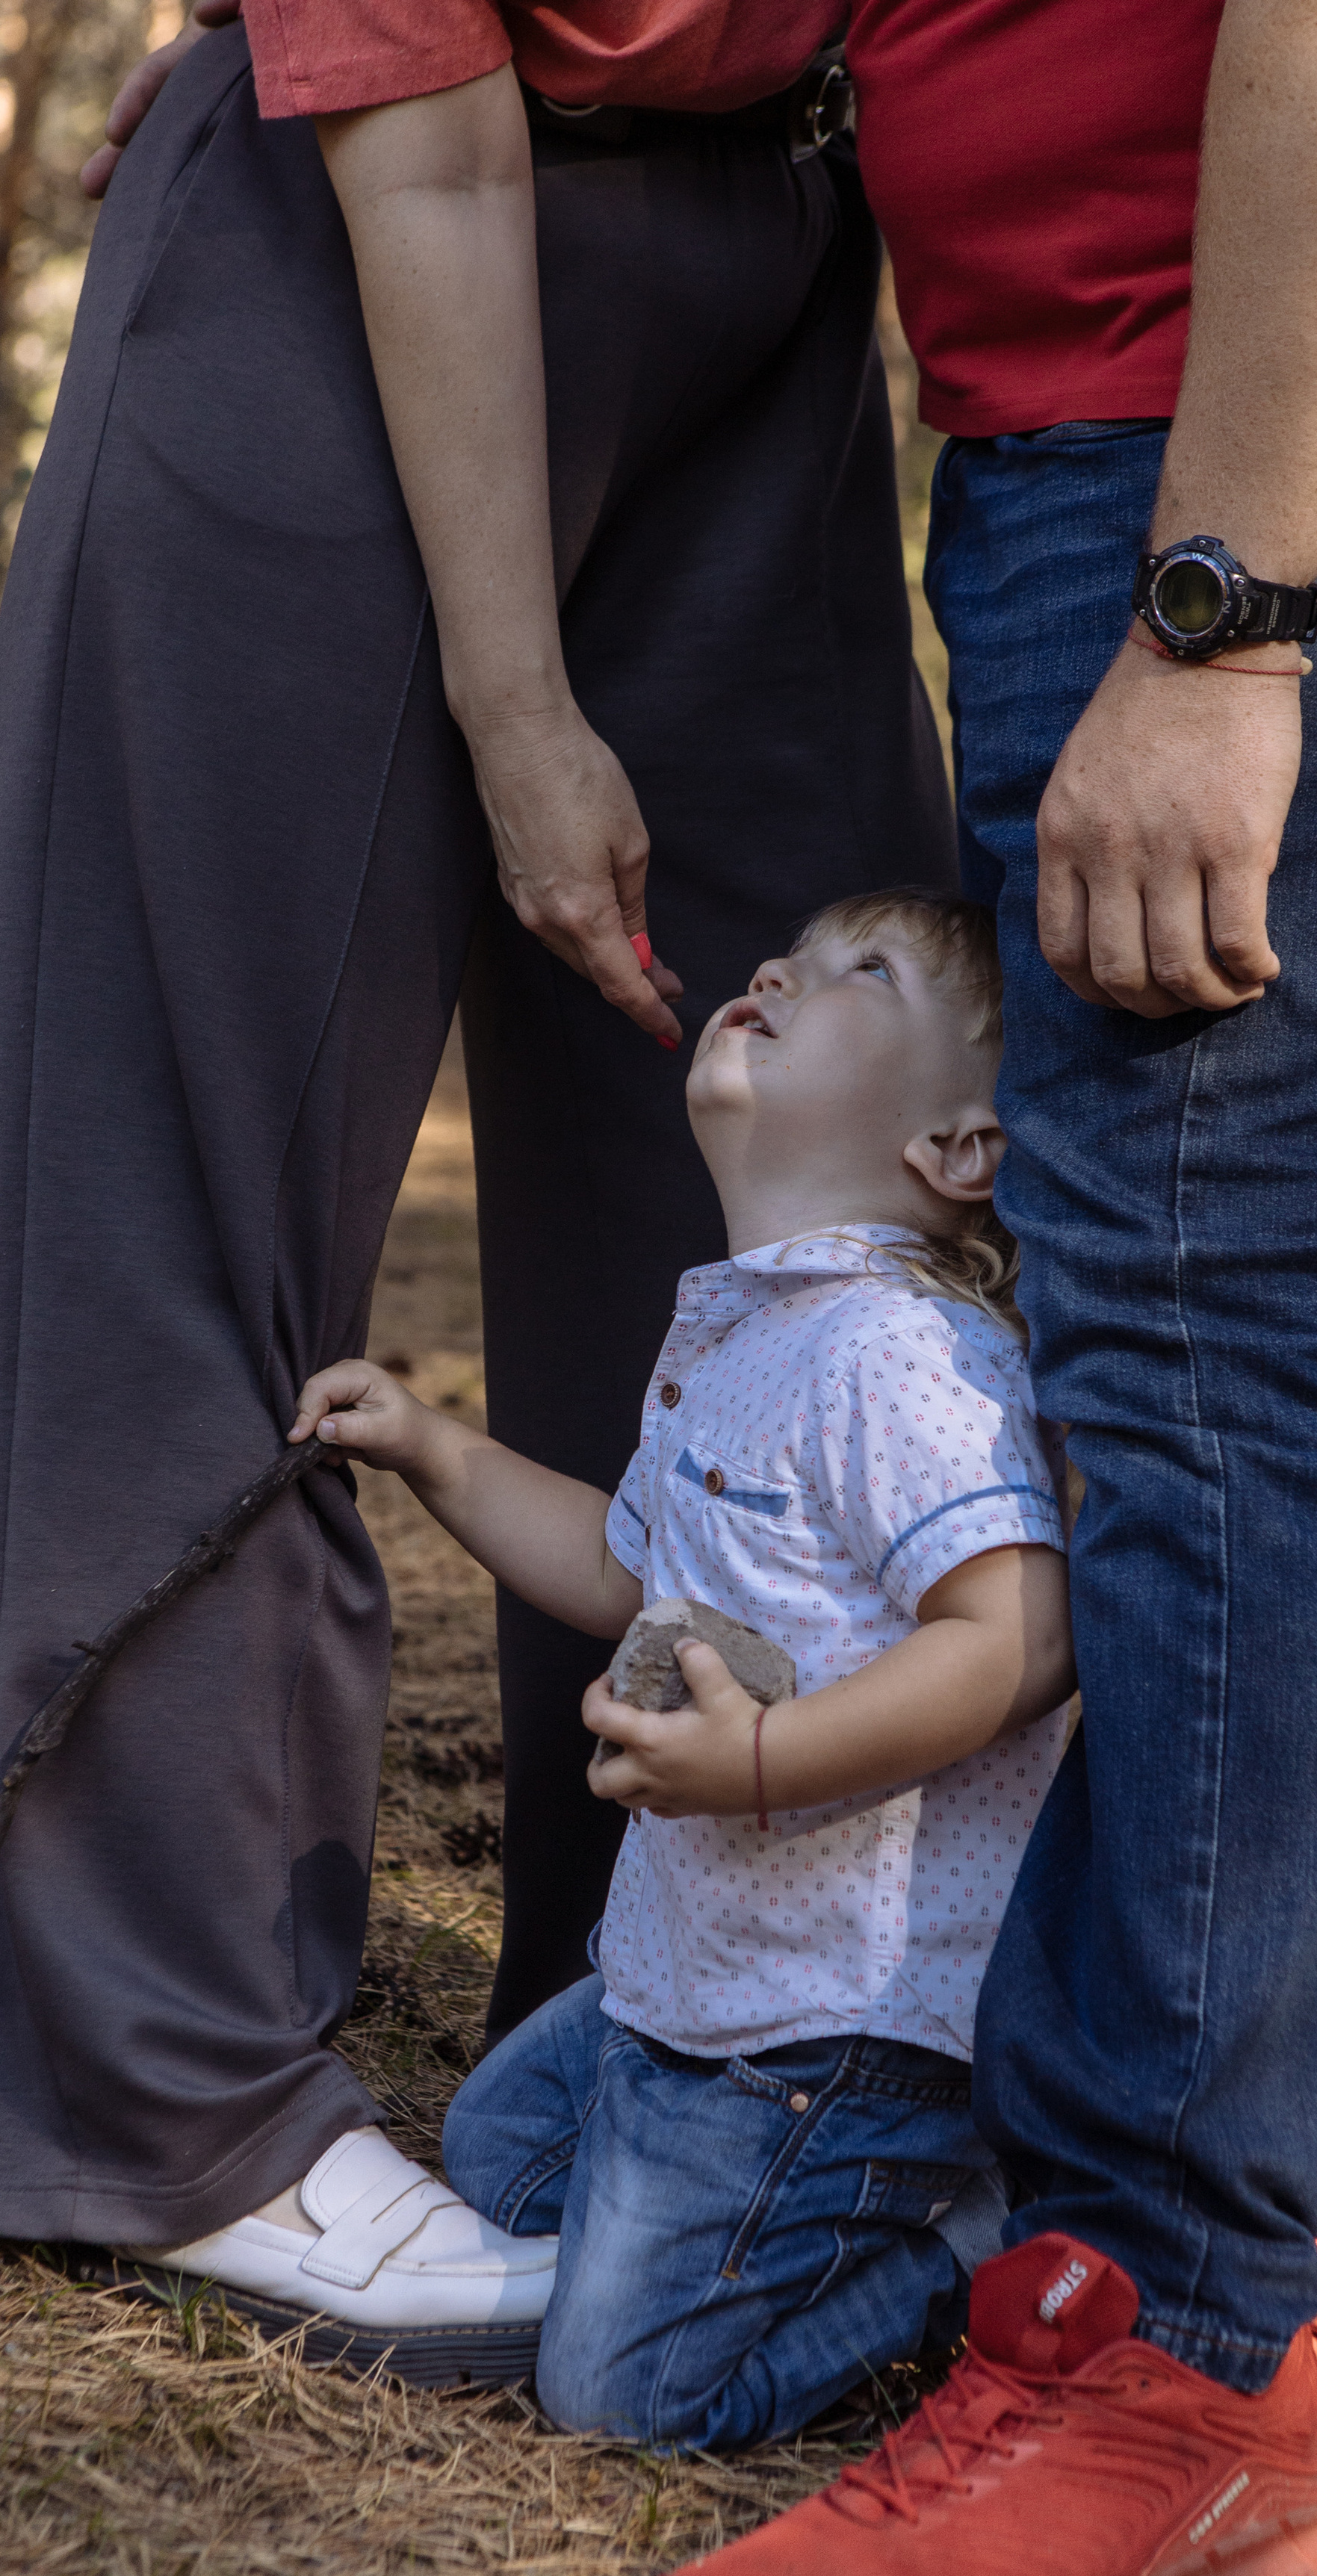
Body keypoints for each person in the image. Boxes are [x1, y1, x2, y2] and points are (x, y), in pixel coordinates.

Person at [0, 1, 955, 2372]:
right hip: (382, 220)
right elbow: (435, 126)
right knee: (184, 1158)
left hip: (785, 238)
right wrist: (514, 697)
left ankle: (714, 2032)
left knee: (807, 1191)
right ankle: (158, 2087)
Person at [628, 0, 1317, 2576]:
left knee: (1199, 1333)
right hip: (1145, 420)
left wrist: (1225, 609)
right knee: (1214, 1323)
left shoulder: (1225, 547)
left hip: (1231, 448)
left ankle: (1164, 2357)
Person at [257, 889, 1071, 2449]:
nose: (777, 970)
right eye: (791, 955)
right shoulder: (750, 1330)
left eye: (860, 971)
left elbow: (1017, 1634)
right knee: (500, 2150)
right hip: (700, 1974)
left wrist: (759, 1763)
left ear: (958, 1150)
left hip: (837, 2016)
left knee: (622, 2390)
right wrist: (435, 1449)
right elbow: (629, 1570)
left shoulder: (901, 1355)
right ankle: (799, 2225)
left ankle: (964, 2251)